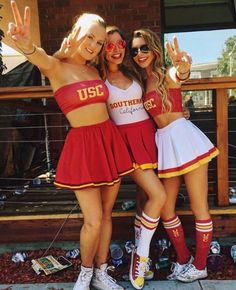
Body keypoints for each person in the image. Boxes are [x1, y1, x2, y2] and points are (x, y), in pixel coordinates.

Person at [7, 2, 135, 290]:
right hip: (83, 146)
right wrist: (27, 45)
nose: (94, 45)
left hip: (108, 141)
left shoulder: (95, 70)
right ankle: (85, 273)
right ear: (76, 32)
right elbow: (38, 56)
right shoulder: (56, 66)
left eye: (99, 41)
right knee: (92, 219)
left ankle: (102, 272)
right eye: (90, 36)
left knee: (106, 215)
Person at [130, 28, 219, 283]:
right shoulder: (140, 81)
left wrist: (183, 67)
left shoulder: (163, 73)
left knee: (198, 205)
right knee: (166, 208)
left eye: (144, 48)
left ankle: (200, 265)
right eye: (135, 50)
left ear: (155, 49)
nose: (139, 54)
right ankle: (183, 259)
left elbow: (178, 74)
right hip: (165, 145)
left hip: (184, 139)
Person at [99, 26, 166, 290]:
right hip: (125, 144)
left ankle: (140, 251)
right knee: (158, 195)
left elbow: (154, 96)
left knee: (145, 198)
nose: (116, 50)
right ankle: (141, 256)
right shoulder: (97, 79)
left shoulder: (133, 72)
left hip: (149, 137)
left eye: (120, 44)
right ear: (103, 50)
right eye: (109, 45)